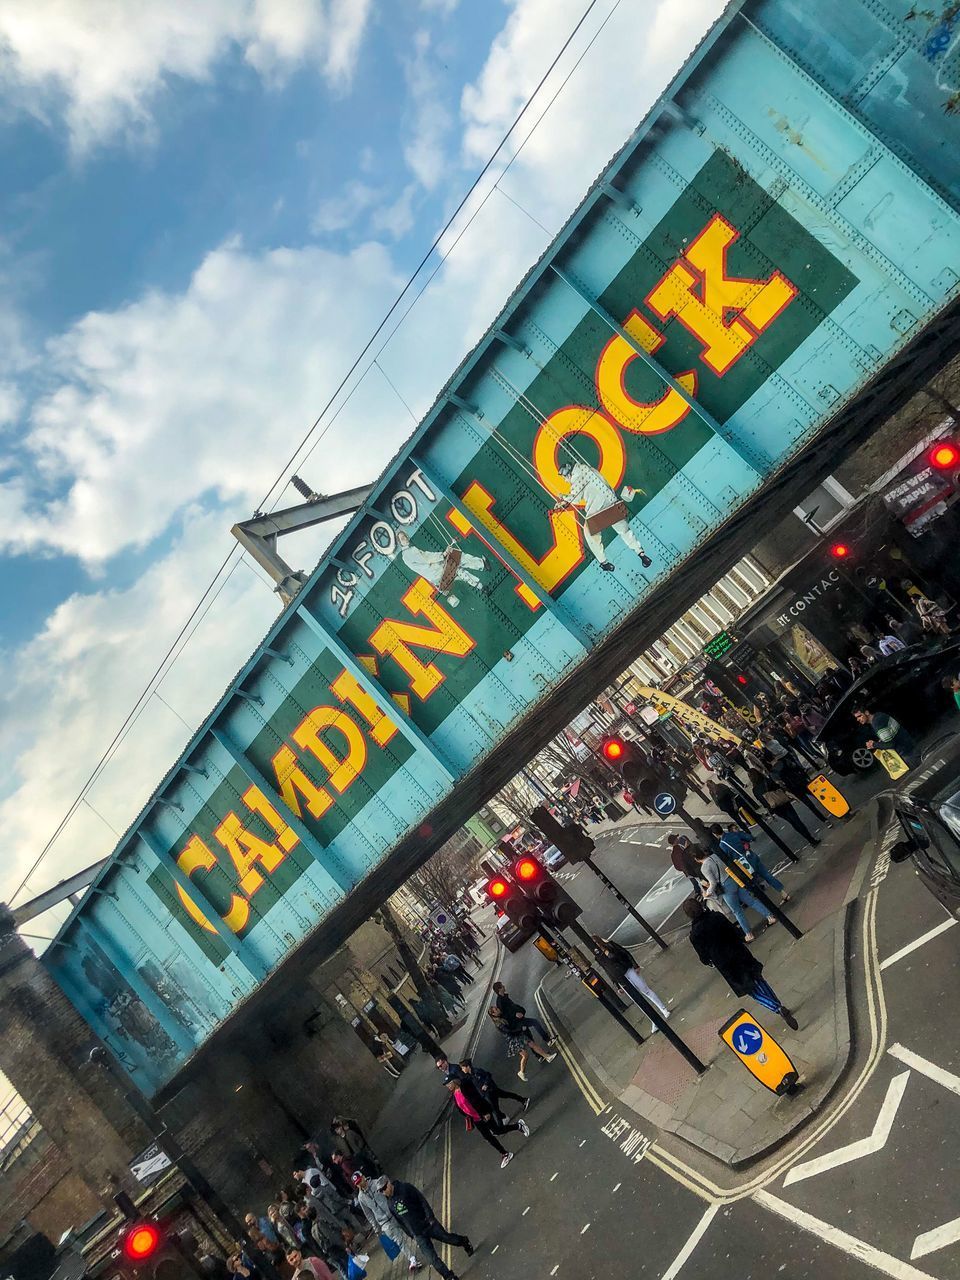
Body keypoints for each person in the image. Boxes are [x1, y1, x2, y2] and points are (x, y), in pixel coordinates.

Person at [684, 898, 798, 1029]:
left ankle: (777, 1008)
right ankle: (780, 1006)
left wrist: (709, 960)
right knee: (758, 979)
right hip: (739, 952)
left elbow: (703, 956)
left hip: (727, 965)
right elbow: (733, 930)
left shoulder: (695, 935)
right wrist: (742, 939)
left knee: (751, 990)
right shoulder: (716, 916)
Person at [554, 457, 652, 571]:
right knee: (624, 530)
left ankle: (604, 562)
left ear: (568, 474)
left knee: (590, 534)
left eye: (565, 478)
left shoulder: (577, 479)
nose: (565, 481)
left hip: (597, 512)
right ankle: (641, 553)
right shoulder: (589, 469)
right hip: (612, 502)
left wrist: (562, 497)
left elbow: (574, 499)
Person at [385, 1177, 473, 1280]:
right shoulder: (390, 1204)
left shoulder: (405, 1188)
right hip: (418, 1234)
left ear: (389, 1183)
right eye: (381, 1191)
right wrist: (411, 1234)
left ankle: (464, 1241)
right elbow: (401, 1222)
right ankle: (450, 1277)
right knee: (432, 1259)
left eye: (384, 1188)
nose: (384, 1192)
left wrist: (430, 1217)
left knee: (447, 1238)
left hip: (428, 1224)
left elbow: (421, 1200)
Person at [694, 847, 777, 943]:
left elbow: (713, 883)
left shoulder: (704, 867)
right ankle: (770, 916)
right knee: (752, 901)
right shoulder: (715, 856)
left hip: (725, 888)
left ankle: (748, 934)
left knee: (737, 911)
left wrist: (707, 893)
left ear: (696, 858)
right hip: (733, 880)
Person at [446, 1077, 529, 1169]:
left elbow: (476, 1099)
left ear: (454, 1082)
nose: (448, 1086)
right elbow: (460, 1108)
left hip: (483, 1114)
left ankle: (518, 1126)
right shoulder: (454, 1095)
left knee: (497, 1131)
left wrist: (485, 1112)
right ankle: (505, 1154)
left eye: (449, 1083)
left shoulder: (465, 1087)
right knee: (488, 1137)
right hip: (476, 1119)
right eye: (446, 1085)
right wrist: (468, 1117)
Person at [593, 935, 671, 1033]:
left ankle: (663, 1009)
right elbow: (608, 971)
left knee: (645, 990)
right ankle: (653, 1020)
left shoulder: (611, 945)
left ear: (599, 941)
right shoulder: (598, 958)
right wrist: (617, 985)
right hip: (621, 978)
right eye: (594, 945)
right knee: (637, 1000)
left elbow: (625, 953)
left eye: (596, 943)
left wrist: (635, 965)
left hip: (628, 970)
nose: (596, 946)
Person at [395, 529, 486, 607]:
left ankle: (481, 587)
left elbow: (426, 559)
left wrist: (443, 555)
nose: (405, 538)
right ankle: (482, 564)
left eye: (405, 536)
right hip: (438, 573)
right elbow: (426, 558)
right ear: (400, 543)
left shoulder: (405, 556)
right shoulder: (410, 552)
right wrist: (443, 554)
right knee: (457, 558)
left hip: (437, 579)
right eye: (402, 538)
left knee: (459, 571)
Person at [351, 1173, 422, 1273]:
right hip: (384, 1223)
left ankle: (421, 1242)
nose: (360, 1184)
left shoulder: (376, 1183)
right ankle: (412, 1259)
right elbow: (369, 1214)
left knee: (409, 1230)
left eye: (360, 1181)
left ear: (363, 1177)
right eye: (357, 1183)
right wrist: (376, 1228)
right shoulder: (361, 1198)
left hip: (395, 1213)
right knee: (399, 1241)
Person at [709, 824, 790, 901]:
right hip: (751, 856)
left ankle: (769, 904)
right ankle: (783, 892)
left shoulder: (722, 846)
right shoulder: (734, 834)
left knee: (755, 885)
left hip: (743, 865)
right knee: (766, 874)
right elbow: (749, 837)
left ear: (715, 834)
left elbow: (728, 859)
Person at [747, 766, 821, 847]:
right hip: (783, 803)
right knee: (797, 820)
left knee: (792, 822)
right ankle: (811, 839)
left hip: (775, 808)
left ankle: (808, 839)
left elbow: (762, 802)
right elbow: (778, 788)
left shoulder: (754, 790)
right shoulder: (766, 781)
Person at [488, 1006, 556, 1081]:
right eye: (496, 1009)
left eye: (497, 1008)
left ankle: (547, 1057)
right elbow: (509, 1031)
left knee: (532, 1044)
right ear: (493, 1014)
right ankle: (521, 1072)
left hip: (518, 1034)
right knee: (525, 1055)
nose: (498, 1009)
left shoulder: (502, 1016)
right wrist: (520, 1029)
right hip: (513, 1039)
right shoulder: (498, 1024)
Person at [459, 1056, 527, 1123]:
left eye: (463, 1067)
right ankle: (522, 1100)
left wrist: (485, 1084)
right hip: (486, 1094)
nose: (462, 1069)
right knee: (505, 1096)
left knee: (495, 1109)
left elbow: (488, 1075)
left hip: (491, 1090)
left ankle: (501, 1126)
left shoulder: (477, 1071)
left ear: (468, 1067)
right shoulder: (469, 1076)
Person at [853, 705, 917, 765]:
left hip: (906, 752)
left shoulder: (877, 723)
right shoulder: (878, 715)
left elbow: (890, 744)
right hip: (908, 744)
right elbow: (889, 732)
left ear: (866, 712)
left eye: (859, 716)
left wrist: (874, 744)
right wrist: (881, 740)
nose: (858, 719)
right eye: (856, 718)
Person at [666, 832, 704, 897]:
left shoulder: (673, 854)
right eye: (676, 838)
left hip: (687, 872)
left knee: (694, 882)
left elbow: (677, 867)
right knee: (702, 879)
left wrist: (684, 869)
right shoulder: (680, 848)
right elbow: (689, 856)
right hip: (693, 868)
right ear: (675, 841)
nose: (678, 838)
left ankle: (697, 891)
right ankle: (706, 889)